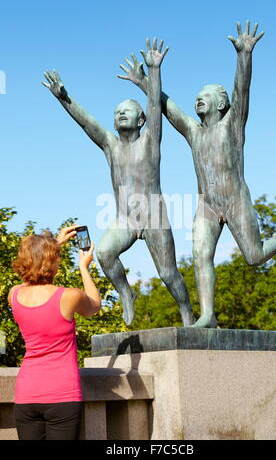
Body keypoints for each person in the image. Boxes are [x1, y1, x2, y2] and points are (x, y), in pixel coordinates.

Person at [119, 21, 276, 328]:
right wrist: (145, 81)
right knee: (201, 255)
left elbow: (243, 88)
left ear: (222, 103)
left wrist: (244, 55)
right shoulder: (194, 132)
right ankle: (208, 314)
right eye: (197, 96)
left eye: (206, 95)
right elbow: (168, 107)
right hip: (208, 206)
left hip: (236, 202)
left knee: (253, 257)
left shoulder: (233, 126)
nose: (198, 98)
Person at [42, 38, 194, 327]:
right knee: (105, 253)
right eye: (116, 112)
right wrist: (64, 97)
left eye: (127, 111)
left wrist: (155, 71)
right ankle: (126, 293)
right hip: (125, 219)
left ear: (141, 120)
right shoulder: (110, 145)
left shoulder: (150, 141)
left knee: (168, 274)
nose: (120, 114)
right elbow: (87, 122)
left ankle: (188, 314)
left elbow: (154, 104)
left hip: (153, 217)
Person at [8, 226, 101, 440]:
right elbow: (94, 306)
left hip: (26, 395)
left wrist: (50, 248)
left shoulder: (14, 295)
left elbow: (27, 281)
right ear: (54, 263)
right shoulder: (69, 296)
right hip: (62, 394)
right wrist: (84, 268)